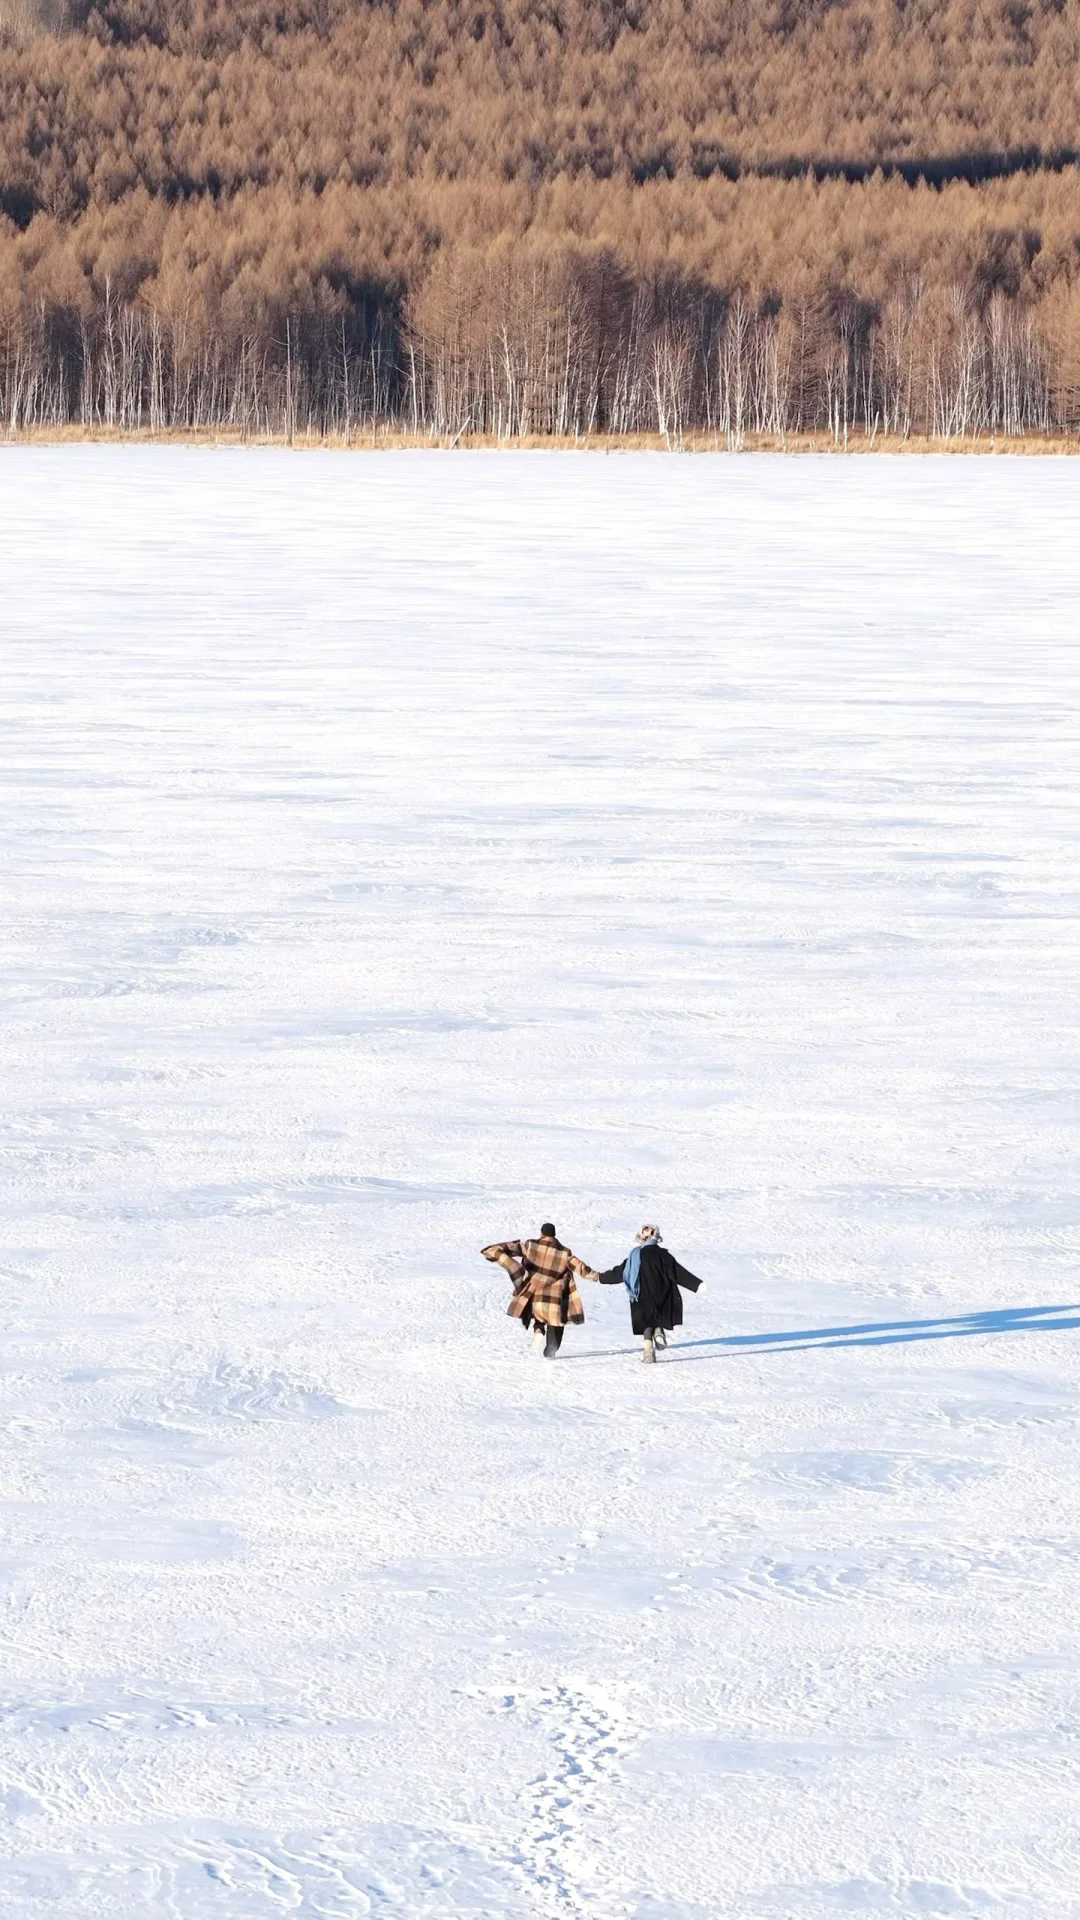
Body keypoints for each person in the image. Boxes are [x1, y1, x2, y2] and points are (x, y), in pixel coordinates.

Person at [481, 1223, 599, 1357]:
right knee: (555, 1323)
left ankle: (538, 1331)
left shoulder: (530, 1245)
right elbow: (581, 1268)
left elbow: (507, 1248)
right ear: (554, 1235)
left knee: (537, 1315)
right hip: (554, 1300)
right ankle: (551, 1350)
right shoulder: (565, 1253)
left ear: (541, 1233)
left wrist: (492, 1252)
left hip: (533, 1295)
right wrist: (598, 1276)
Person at [597, 1225, 704, 1362]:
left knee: (646, 1322)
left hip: (641, 1295)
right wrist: (696, 1284)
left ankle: (648, 1352)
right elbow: (678, 1272)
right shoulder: (664, 1255)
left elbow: (620, 1273)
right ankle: (658, 1331)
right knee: (658, 1316)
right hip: (662, 1294)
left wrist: (600, 1277)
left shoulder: (635, 1256)